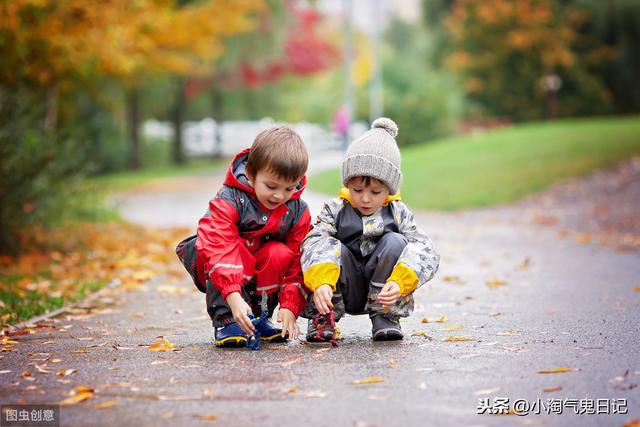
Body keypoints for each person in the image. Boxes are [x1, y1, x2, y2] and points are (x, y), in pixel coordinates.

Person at [301, 118, 440, 341]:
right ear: (347, 184)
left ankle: (385, 316)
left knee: (396, 241)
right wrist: (321, 281)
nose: (365, 199)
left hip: (383, 289)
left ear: (390, 189)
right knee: (327, 244)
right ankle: (322, 317)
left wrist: (400, 281)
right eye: (357, 190)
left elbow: (425, 248)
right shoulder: (336, 209)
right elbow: (314, 241)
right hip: (343, 286)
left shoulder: (397, 212)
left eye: (375, 192)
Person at [176, 126, 311, 347]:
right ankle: (227, 320)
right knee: (235, 247)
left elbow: (298, 260)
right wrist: (233, 296)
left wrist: (290, 304)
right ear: (251, 174)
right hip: (220, 265)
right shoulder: (230, 198)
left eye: (289, 188)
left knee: (279, 253)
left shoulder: (297, 210)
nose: (279, 195)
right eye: (271, 186)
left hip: (259, 268)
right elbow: (217, 244)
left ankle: (260, 318)